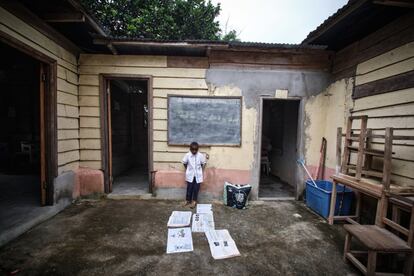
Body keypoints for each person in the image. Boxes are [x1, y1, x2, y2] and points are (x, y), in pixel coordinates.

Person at [182, 142, 207, 208]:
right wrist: (188, 169)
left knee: (196, 189)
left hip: (198, 175)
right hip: (190, 174)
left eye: (195, 149)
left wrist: (200, 170)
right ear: (190, 149)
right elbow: (184, 163)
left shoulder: (200, 155)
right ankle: (187, 200)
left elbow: (203, 163)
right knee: (189, 188)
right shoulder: (187, 155)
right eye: (192, 149)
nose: (194, 151)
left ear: (197, 149)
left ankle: (194, 201)